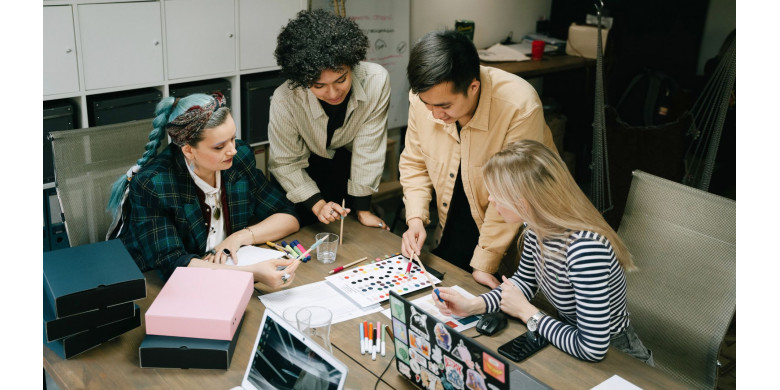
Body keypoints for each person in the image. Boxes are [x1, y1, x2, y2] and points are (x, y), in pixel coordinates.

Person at [433, 140, 654, 365]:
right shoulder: (535, 229)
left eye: (496, 193)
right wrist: (473, 305)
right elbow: (524, 283)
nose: (490, 199)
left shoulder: (586, 249)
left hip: (618, 358)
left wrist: (527, 313)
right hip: (565, 337)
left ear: (523, 203)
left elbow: (593, 348)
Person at [399, 30, 557, 288]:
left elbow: (513, 193)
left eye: (445, 106)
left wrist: (485, 261)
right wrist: (415, 218)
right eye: (428, 105)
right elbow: (415, 163)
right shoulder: (424, 99)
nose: (436, 114)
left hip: (513, 236)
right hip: (452, 222)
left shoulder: (519, 106)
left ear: (473, 87)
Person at [106, 93, 300, 291]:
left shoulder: (239, 159)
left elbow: (287, 215)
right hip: (158, 287)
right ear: (188, 150)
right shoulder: (154, 184)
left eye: (233, 138)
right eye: (219, 146)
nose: (233, 150)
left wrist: (238, 237)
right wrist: (253, 273)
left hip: (223, 277)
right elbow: (173, 264)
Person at [268, 9, 391, 230]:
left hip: (345, 167)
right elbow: (286, 162)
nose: (333, 93)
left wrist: (363, 209)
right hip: (299, 174)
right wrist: (317, 204)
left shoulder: (376, 81)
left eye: (341, 79)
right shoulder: (284, 99)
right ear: (303, 80)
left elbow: (368, 149)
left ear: (352, 64)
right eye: (319, 86)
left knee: (349, 234)